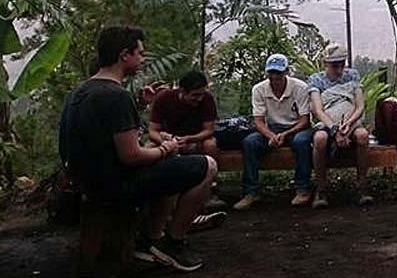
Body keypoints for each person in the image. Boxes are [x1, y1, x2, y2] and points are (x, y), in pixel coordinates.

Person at [59, 26, 216, 272]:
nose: (142, 59)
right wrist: (167, 148)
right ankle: (173, 241)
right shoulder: (116, 95)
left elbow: (103, 139)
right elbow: (131, 155)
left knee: (169, 169)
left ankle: (151, 239)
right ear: (124, 55)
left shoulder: (79, 91)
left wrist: (143, 109)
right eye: (140, 53)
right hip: (116, 184)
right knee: (208, 165)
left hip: (85, 181)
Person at [232, 54, 313, 211]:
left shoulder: (300, 87)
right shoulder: (259, 89)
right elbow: (258, 120)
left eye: (279, 73)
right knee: (250, 142)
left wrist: (285, 134)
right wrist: (271, 135)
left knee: (301, 142)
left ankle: (303, 188)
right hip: (272, 129)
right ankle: (251, 192)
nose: (275, 77)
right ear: (267, 73)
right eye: (272, 73)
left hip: (296, 128)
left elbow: (305, 120)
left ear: (286, 72)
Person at [306, 43, 373, 209]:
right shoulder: (316, 80)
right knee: (320, 139)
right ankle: (321, 189)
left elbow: (359, 106)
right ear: (326, 64)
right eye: (335, 65)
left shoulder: (352, 76)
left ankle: (362, 186)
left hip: (350, 120)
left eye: (342, 64)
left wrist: (348, 125)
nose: (339, 69)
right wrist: (334, 130)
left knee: (363, 136)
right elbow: (318, 110)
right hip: (327, 122)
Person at [147, 71, 225, 212]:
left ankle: (210, 190)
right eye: (195, 95)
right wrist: (166, 142)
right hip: (170, 139)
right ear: (182, 91)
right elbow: (153, 130)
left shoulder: (206, 99)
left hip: (195, 138)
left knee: (211, 144)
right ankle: (155, 195)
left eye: (201, 94)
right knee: (150, 147)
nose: (199, 99)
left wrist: (190, 138)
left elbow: (209, 130)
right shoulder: (164, 98)